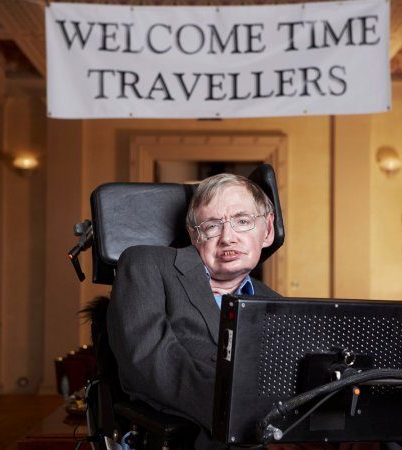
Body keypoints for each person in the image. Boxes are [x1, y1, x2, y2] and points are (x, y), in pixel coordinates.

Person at [106, 173, 280, 447]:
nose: (227, 237)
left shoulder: (277, 303)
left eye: (243, 221)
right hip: (197, 431)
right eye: (211, 226)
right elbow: (150, 360)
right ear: (194, 235)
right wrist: (237, 408)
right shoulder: (146, 263)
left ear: (268, 231)